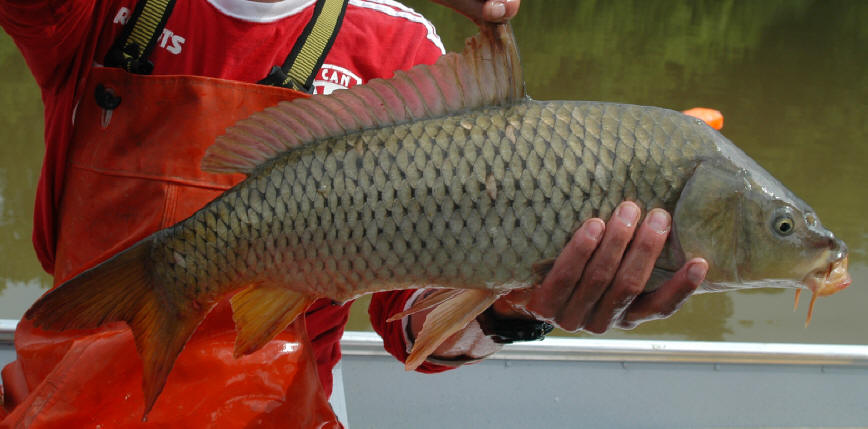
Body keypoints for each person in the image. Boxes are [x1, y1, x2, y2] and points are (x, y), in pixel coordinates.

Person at [0, 0, 707, 426]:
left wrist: (516, 304)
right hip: (58, 409)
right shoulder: (91, 12)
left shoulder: (397, 42)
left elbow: (409, 323)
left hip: (278, 416)